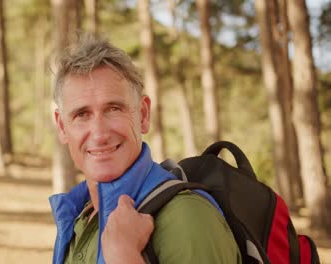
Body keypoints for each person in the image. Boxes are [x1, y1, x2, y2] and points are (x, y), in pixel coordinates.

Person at [49, 34, 241, 264]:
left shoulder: (187, 218)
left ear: (143, 115)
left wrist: (124, 256)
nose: (99, 134)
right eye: (82, 114)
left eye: (113, 109)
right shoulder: (79, 217)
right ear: (62, 126)